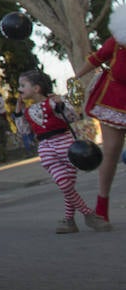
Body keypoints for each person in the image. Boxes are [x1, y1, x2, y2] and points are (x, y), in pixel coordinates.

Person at [17, 69, 110, 234]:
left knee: (68, 185)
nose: (19, 89)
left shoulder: (54, 102)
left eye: (23, 85)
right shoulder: (26, 111)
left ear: (37, 88)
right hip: (46, 147)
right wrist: (17, 113)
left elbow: (73, 117)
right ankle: (89, 215)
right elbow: (24, 131)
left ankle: (69, 220)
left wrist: (61, 105)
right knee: (64, 184)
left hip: (66, 144)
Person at [73, 6, 124, 227]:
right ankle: (101, 208)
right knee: (111, 151)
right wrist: (75, 79)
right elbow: (97, 57)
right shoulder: (119, 38)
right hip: (113, 99)